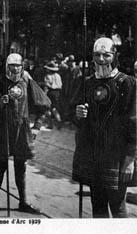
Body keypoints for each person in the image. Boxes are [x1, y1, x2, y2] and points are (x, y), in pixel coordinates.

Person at [72, 37, 136, 218]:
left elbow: (134, 123)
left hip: (118, 156)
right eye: (97, 55)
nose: (101, 59)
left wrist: (130, 159)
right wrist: (78, 114)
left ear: (114, 56)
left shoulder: (128, 83)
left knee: (118, 206)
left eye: (106, 55)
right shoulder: (87, 82)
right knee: (97, 205)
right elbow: (74, 117)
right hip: (93, 155)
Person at [0, 53, 51, 215]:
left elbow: (45, 104)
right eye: (11, 65)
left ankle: (23, 202)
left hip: (22, 130)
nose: (15, 68)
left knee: (20, 167)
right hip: (2, 129)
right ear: (6, 66)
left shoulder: (27, 82)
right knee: (0, 166)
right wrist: (0, 103)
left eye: (18, 65)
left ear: (22, 67)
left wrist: (37, 127)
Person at [43, 61, 62, 129]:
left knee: (48, 108)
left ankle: (50, 124)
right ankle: (59, 120)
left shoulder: (47, 76)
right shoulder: (58, 76)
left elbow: (46, 86)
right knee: (54, 108)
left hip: (50, 92)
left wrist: (44, 95)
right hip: (58, 92)